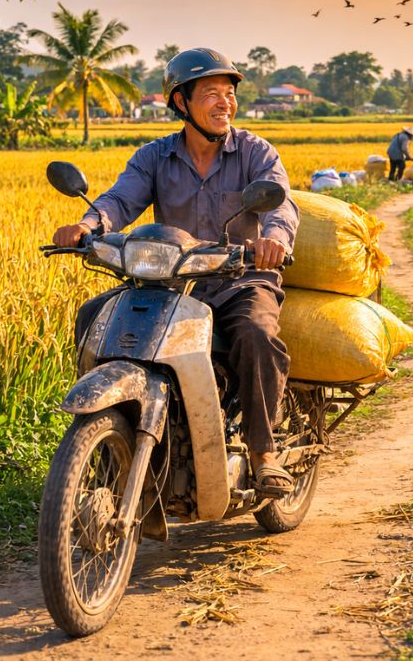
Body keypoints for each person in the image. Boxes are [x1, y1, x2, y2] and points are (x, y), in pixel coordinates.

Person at [52, 47, 300, 498]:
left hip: (238, 280)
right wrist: (90, 226)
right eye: (211, 93)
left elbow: (281, 203)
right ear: (181, 102)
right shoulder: (155, 157)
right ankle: (109, 436)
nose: (225, 102)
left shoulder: (254, 152)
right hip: (171, 284)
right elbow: (119, 200)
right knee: (93, 316)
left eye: (229, 93)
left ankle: (264, 453)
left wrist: (275, 240)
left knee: (255, 333)